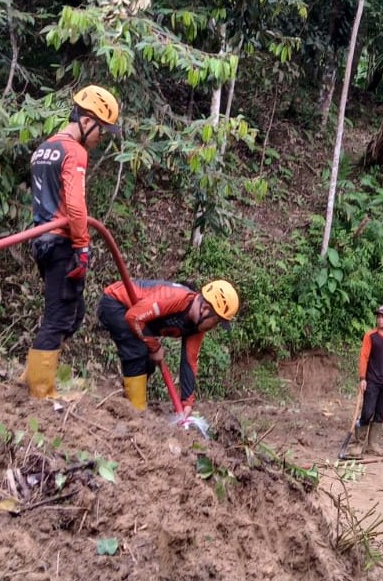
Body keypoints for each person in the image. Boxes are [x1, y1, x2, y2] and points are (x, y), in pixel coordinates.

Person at [26, 85, 121, 399]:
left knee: (74, 312)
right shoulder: (74, 152)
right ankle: (39, 392)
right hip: (62, 243)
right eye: (101, 132)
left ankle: (33, 374)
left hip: (41, 242)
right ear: (88, 120)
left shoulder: (45, 148)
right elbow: (76, 205)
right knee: (60, 317)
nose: (100, 139)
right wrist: (82, 246)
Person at [97, 277, 239, 413]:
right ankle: (136, 411)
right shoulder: (175, 298)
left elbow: (189, 362)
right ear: (205, 309)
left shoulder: (197, 327)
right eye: (217, 321)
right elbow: (133, 317)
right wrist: (155, 347)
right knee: (138, 351)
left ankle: (128, 401)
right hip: (117, 303)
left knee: (148, 363)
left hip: (138, 319)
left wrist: (187, 403)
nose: (214, 327)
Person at [350, 305, 383, 457]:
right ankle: (359, 444)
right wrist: (362, 378)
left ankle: (373, 444)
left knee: (381, 412)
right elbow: (364, 357)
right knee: (367, 412)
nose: (380, 319)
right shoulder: (370, 336)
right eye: (378, 316)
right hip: (372, 380)